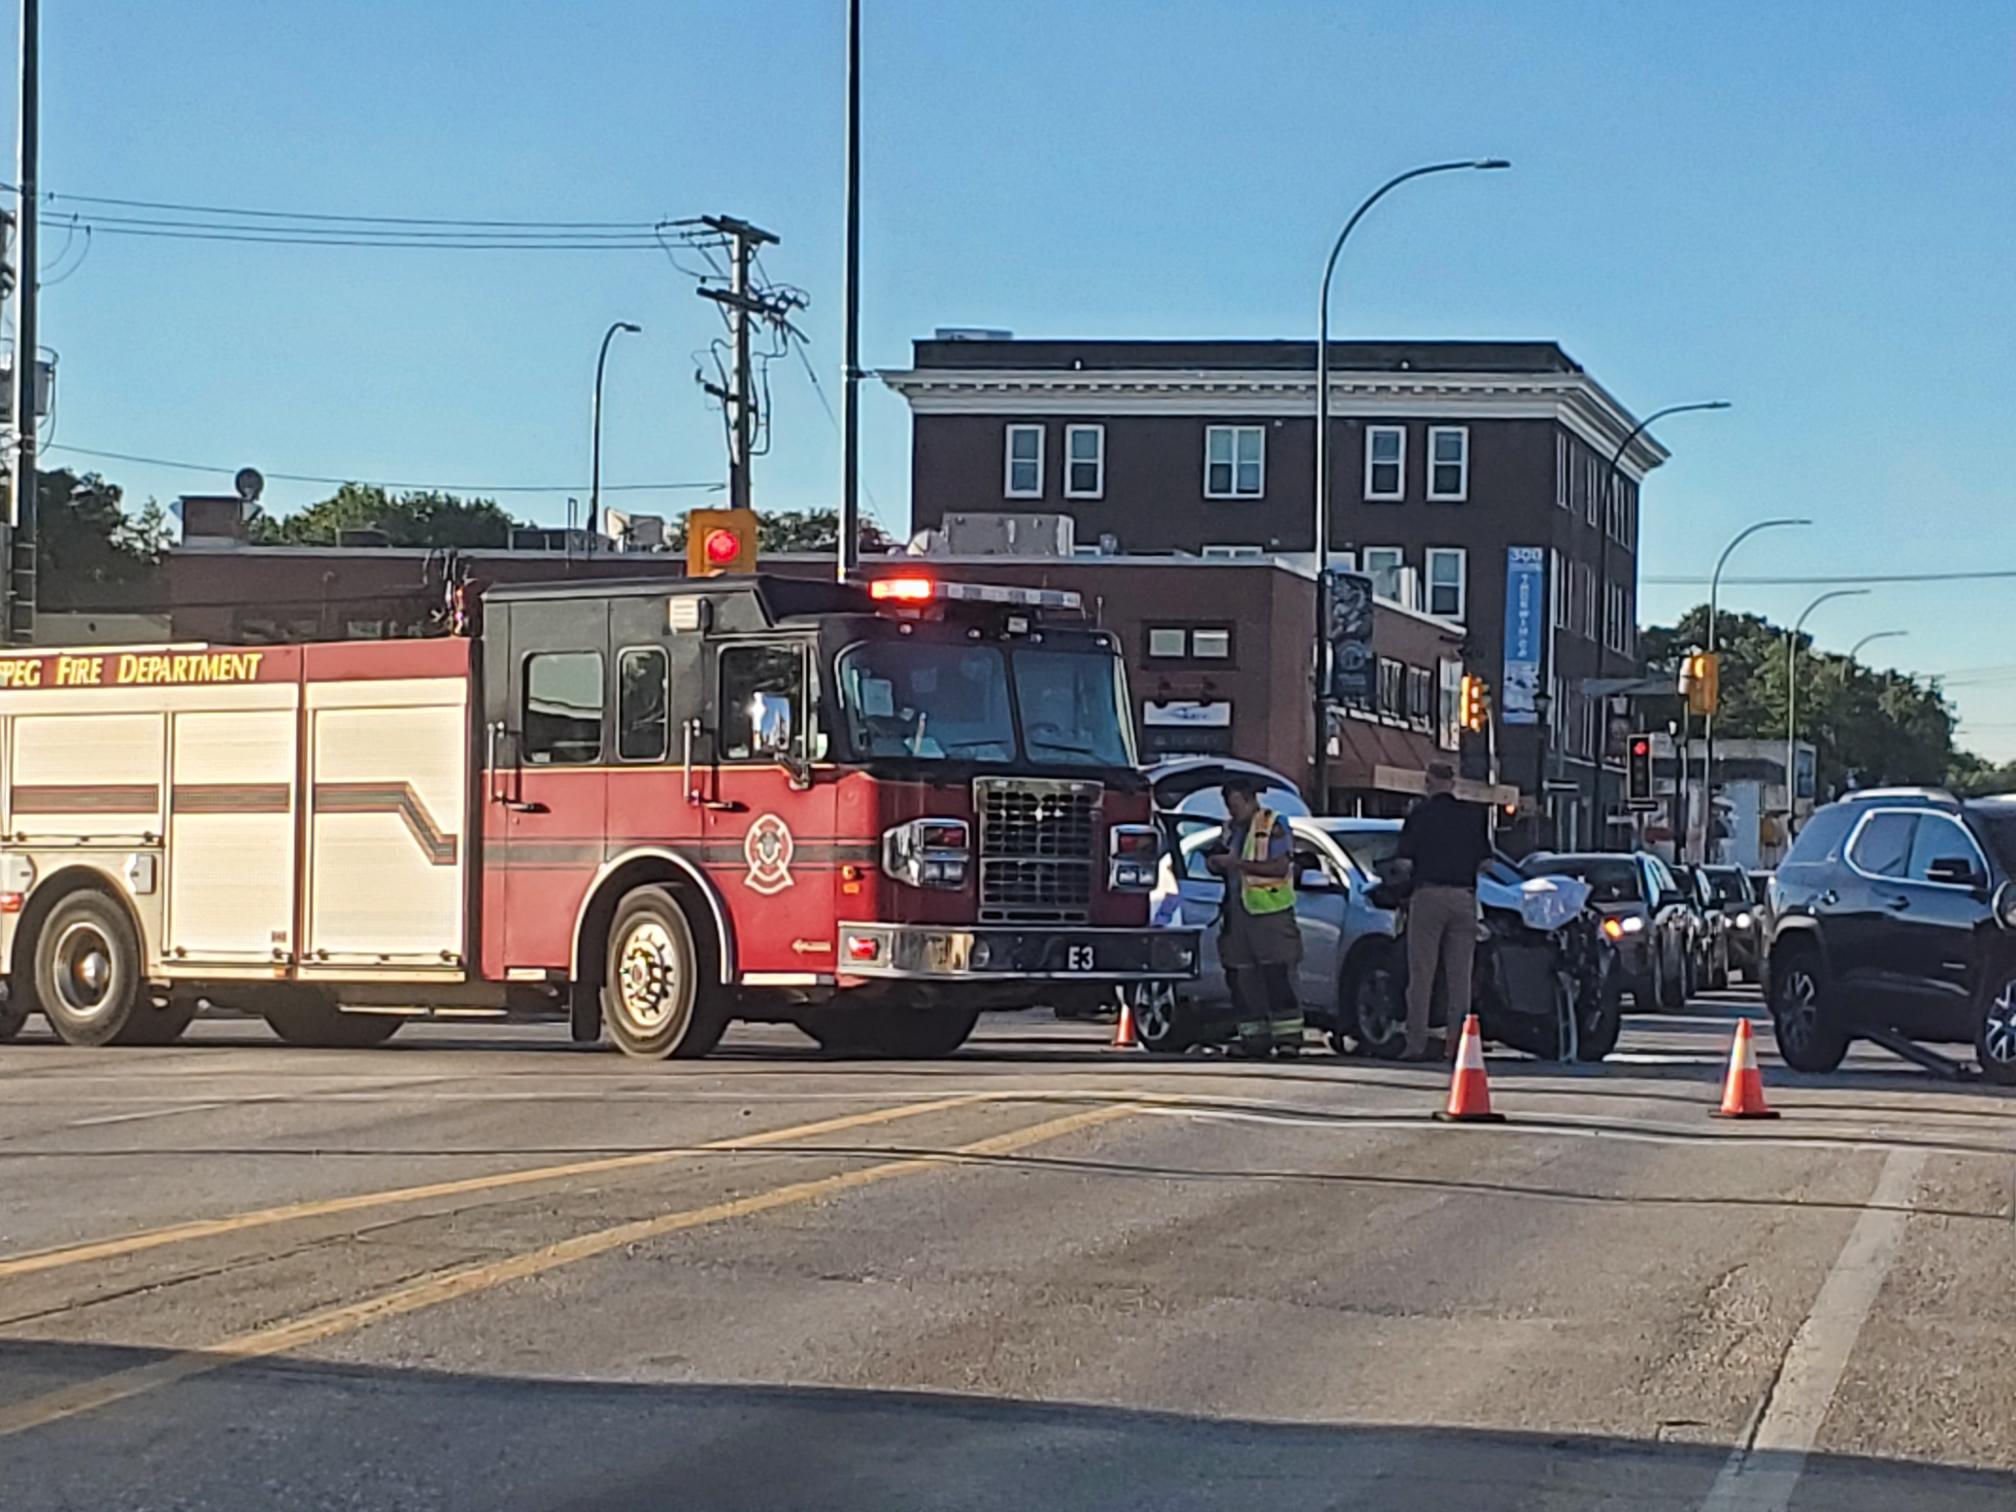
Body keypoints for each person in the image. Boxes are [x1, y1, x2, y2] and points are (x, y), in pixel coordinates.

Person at [1397, 760, 1492, 1061]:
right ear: (1452, 783)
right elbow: (1487, 862)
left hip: (1428, 895)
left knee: (1422, 974)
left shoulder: (1420, 815)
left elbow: (1404, 863)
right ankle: (1458, 1044)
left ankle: (1416, 1043)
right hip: (1464, 898)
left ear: (1429, 782)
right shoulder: (1472, 817)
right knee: (1459, 978)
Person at [1206, 777, 1305, 1057]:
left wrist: (1235, 863)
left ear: (1249, 799)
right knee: (1241, 978)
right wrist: (1214, 862)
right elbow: (1216, 857)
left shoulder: (1272, 825)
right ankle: (1253, 1040)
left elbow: (1279, 867)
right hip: (1237, 915)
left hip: (1270, 914)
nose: (1230, 810)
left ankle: (1288, 1040)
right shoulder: (1229, 829)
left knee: (1277, 976)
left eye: (1234, 803)